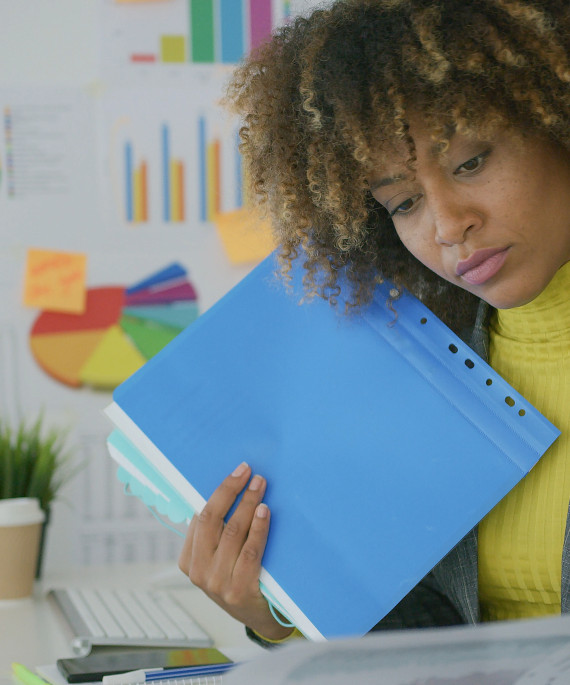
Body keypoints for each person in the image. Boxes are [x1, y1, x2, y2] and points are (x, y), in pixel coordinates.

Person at [179, 0, 570, 646]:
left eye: (471, 162)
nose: (447, 227)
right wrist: (280, 618)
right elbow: (435, 627)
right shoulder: (430, 364)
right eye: (404, 202)